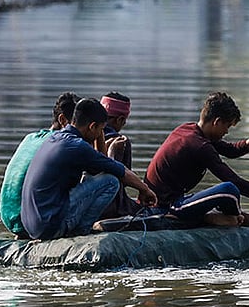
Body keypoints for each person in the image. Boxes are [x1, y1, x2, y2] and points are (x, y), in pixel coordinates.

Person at [143, 90, 249, 227]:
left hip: (172, 199)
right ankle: (232, 218)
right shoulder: (199, 146)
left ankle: (227, 216)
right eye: (227, 126)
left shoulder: (191, 130)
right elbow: (235, 181)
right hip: (165, 207)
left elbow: (232, 150)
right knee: (229, 189)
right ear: (217, 122)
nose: (226, 132)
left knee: (229, 189)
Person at [21, 98, 157, 240]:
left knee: (92, 177)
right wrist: (145, 190)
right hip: (50, 227)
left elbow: (101, 163)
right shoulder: (77, 146)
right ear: (92, 127)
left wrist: (98, 134)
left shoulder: (55, 138)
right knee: (111, 181)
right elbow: (119, 171)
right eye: (100, 130)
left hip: (32, 227)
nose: (100, 134)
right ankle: (81, 231)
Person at [0, 92, 79, 237]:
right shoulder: (61, 144)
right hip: (30, 222)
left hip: (9, 219)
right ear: (63, 120)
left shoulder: (30, 138)